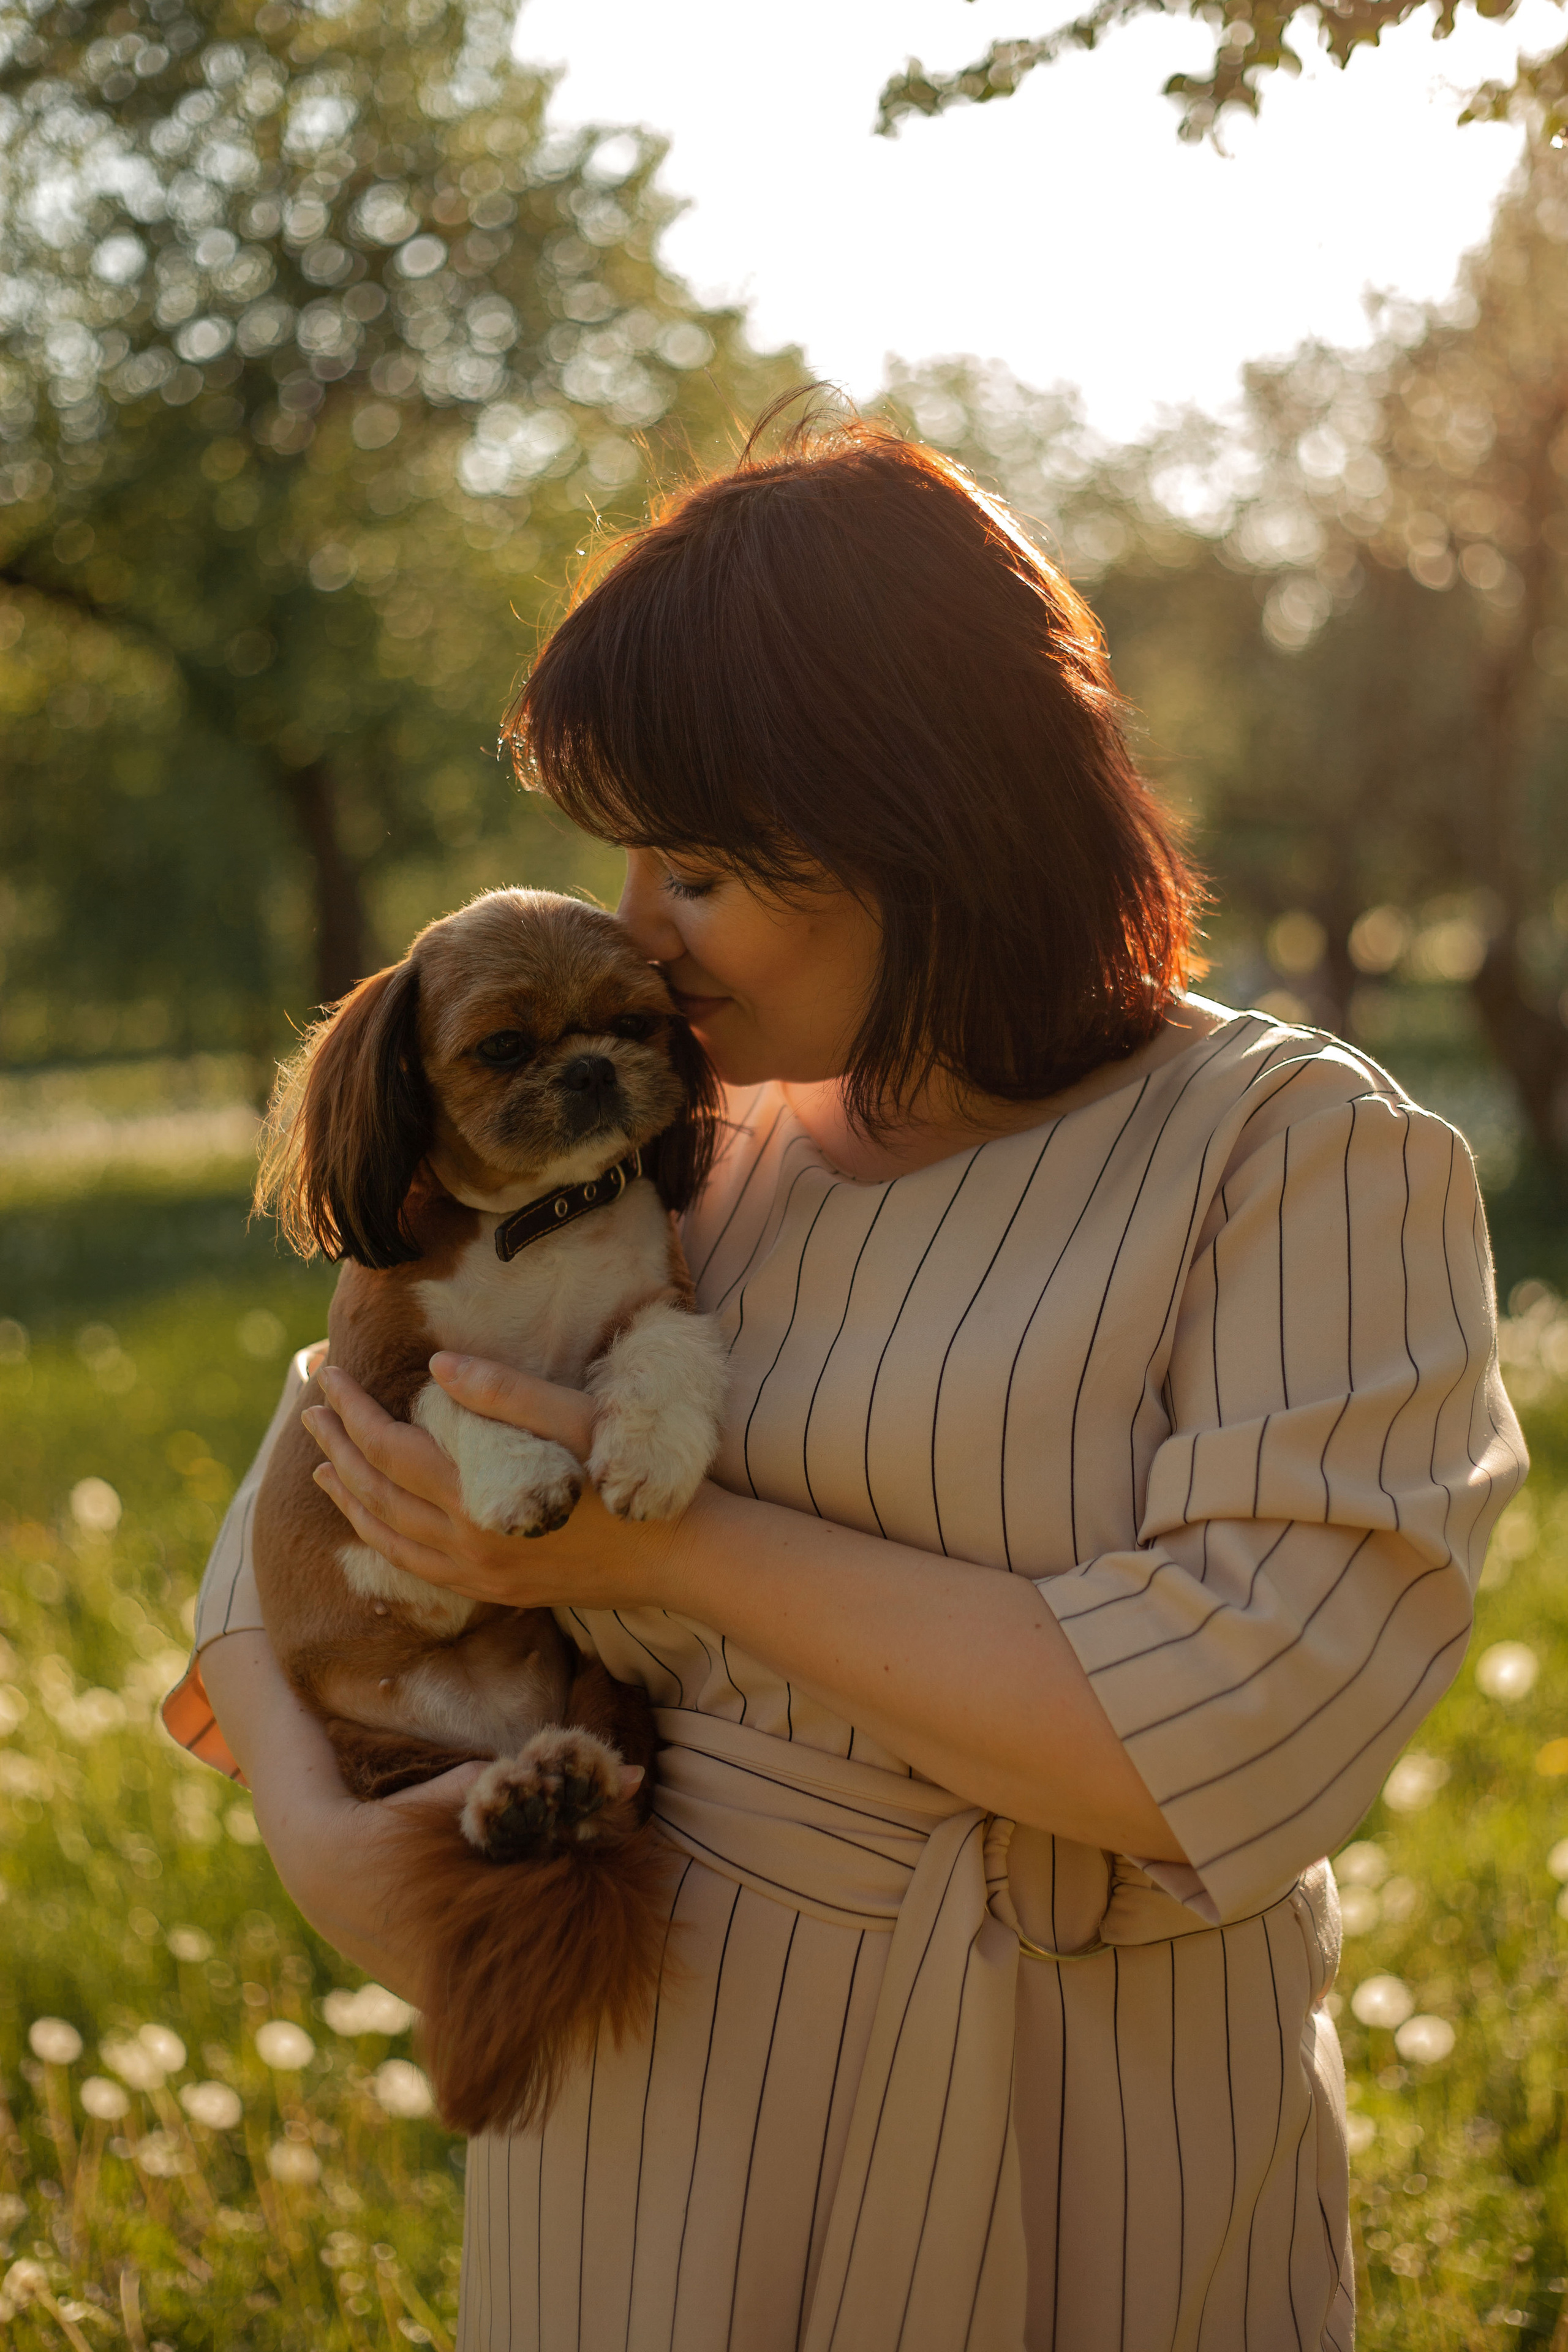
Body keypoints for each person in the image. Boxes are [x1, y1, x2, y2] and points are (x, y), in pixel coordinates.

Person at [164, 407, 1526, 2351]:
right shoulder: (686, 1143)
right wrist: (323, 1844)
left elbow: (1241, 1723)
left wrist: (667, 1556)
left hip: (1074, 2104)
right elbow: (312, 1468)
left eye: (701, 866)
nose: (642, 928)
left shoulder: (1298, 1154)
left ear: (927, 821)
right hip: (637, 2093)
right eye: (631, 856)